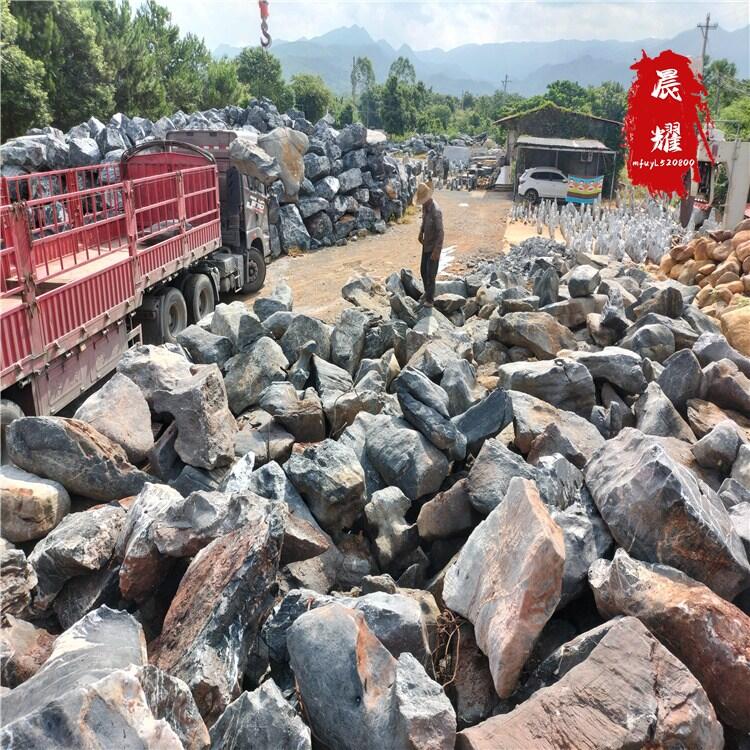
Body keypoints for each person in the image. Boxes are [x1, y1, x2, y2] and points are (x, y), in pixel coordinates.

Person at [415, 182, 444, 308]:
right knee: (423, 270)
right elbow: (424, 220)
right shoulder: (425, 208)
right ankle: (427, 293)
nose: (422, 203)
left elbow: (441, 233)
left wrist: (436, 251)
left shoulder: (436, 211)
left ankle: (430, 300)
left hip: (433, 247)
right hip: (426, 244)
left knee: (431, 274)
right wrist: (421, 232)